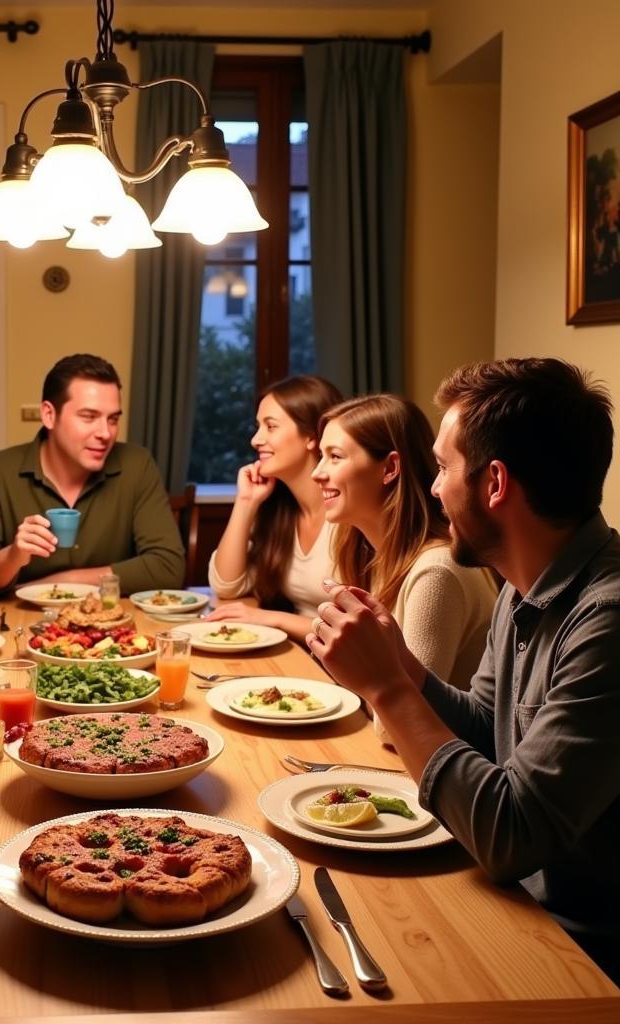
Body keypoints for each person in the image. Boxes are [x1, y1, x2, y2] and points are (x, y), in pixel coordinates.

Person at [306, 358, 620, 982]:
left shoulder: (606, 619)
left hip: (581, 958)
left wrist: (387, 688)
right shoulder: (523, 583)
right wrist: (404, 666)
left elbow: (512, 837)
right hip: (512, 907)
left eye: (445, 468)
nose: (432, 487)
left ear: (494, 483)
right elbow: (484, 726)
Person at [0, 353, 185, 594]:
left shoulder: (137, 465)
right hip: (22, 624)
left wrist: (65, 581)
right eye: (89, 417)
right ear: (49, 415)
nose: (105, 433)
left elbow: (168, 567)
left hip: (111, 625)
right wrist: (13, 556)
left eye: (113, 419)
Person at [311, 394, 497, 692]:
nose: (317, 473)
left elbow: (398, 725)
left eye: (335, 456)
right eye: (321, 456)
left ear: (389, 469)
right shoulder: (372, 553)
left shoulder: (436, 572)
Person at [204, 375, 342, 643]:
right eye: (258, 427)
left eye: (271, 427)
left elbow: (360, 632)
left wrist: (273, 618)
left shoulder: (349, 511)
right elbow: (226, 586)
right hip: (301, 654)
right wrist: (246, 503)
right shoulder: (280, 511)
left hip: (343, 669)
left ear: (312, 437)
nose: (256, 440)